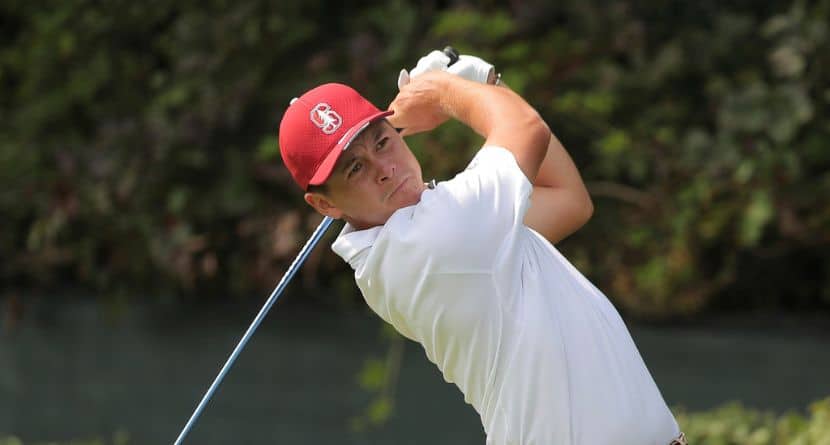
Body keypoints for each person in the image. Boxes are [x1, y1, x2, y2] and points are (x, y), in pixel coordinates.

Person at [278, 51, 687, 445]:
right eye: (355, 168)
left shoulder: (460, 229)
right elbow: (527, 129)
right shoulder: (436, 237)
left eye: (382, 143)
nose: (384, 169)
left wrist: (485, 85)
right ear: (324, 204)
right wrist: (448, 90)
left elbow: (566, 199)